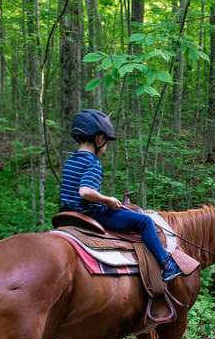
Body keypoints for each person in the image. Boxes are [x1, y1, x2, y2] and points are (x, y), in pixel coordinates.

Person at [61, 109, 182, 282]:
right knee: (145, 221)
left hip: (67, 214)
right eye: (106, 142)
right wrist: (107, 200)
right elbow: (85, 191)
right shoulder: (92, 161)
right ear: (99, 139)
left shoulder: (71, 160)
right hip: (91, 214)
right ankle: (167, 265)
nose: (105, 148)